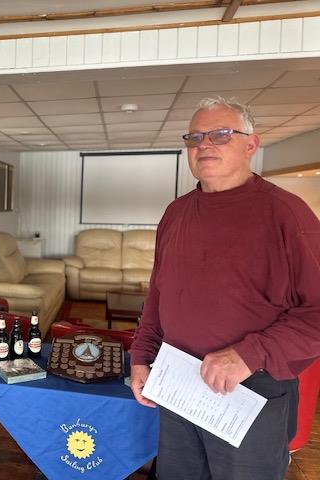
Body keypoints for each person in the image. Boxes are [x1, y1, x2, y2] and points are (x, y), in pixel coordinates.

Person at [129, 97, 320, 480]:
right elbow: (159, 295)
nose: (204, 145)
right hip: (179, 381)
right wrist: (141, 356)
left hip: (251, 387)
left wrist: (248, 355)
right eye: (195, 137)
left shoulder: (286, 214)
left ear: (252, 144)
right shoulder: (177, 213)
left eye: (220, 134)